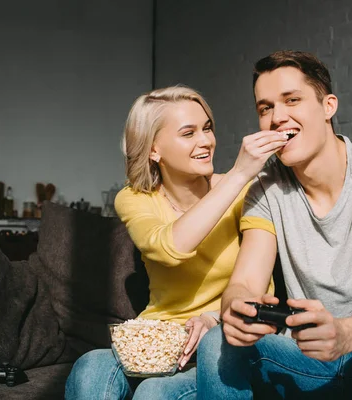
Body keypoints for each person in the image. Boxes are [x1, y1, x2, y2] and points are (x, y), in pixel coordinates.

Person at [197, 50, 352, 399]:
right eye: (265, 108)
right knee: (216, 342)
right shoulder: (265, 187)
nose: (277, 117)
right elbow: (246, 282)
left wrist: (345, 333)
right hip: (303, 361)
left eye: (291, 100)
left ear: (328, 106)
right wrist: (235, 309)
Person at [65, 85, 289, 400]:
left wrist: (213, 319)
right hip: (159, 338)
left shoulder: (244, 191)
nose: (206, 141)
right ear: (154, 150)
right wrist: (239, 174)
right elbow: (170, 249)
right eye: (188, 133)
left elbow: (259, 285)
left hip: (221, 338)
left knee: (154, 394)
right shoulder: (134, 199)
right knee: (90, 366)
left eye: (207, 128)